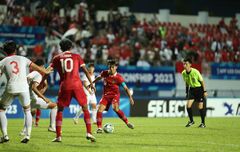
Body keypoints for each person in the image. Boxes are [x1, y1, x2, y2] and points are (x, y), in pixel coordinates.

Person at [0, 40, 52, 143]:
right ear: (16, 49)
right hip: (23, 88)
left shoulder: (3, 61)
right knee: (27, 110)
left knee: (1, 110)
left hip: (11, 87)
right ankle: (27, 136)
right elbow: (36, 67)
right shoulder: (23, 59)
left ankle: (5, 135)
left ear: (5, 51)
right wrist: (45, 71)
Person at [50, 39, 96, 142]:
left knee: (60, 110)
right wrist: (91, 84)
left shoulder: (56, 58)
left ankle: (58, 136)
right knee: (85, 108)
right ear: (71, 47)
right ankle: (89, 133)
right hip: (77, 85)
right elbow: (86, 72)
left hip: (64, 86)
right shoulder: (77, 57)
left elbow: (48, 71)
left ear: (61, 48)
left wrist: (42, 80)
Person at [92, 59, 135, 133]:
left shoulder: (119, 77)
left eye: (112, 67)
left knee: (115, 108)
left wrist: (130, 98)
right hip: (106, 95)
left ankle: (127, 122)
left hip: (115, 95)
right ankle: (99, 128)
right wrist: (92, 83)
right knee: (99, 110)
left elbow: (126, 88)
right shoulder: (105, 73)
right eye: (109, 67)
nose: (110, 69)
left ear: (116, 67)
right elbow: (99, 77)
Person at [20, 59, 57, 136]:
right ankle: (52, 126)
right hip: (33, 99)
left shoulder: (31, 74)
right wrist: (44, 98)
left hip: (25, 98)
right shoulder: (38, 75)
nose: (44, 68)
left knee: (28, 112)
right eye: (43, 66)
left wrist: (45, 86)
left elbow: (34, 88)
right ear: (41, 66)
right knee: (54, 106)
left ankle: (24, 131)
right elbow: (34, 88)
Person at [182, 58, 208, 128]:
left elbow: (202, 81)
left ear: (190, 65)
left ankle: (203, 123)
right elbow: (187, 83)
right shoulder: (183, 73)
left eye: (186, 64)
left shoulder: (195, 72)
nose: (184, 65)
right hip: (192, 90)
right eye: (184, 64)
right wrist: (187, 92)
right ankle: (191, 121)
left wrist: (204, 91)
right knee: (188, 106)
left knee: (200, 107)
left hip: (199, 89)